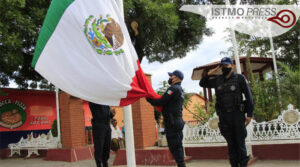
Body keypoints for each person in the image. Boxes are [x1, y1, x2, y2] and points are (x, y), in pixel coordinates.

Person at [199, 57, 254, 167]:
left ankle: (243, 164)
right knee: (231, 144)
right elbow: (202, 83)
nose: (225, 68)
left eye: (227, 65)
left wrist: (249, 115)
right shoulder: (217, 80)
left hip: (237, 115)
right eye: (223, 66)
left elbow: (249, 97)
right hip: (224, 117)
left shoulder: (239, 78)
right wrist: (210, 73)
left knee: (240, 143)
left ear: (232, 66)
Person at [146, 70, 186, 167]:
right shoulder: (180, 89)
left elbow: (161, 101)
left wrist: (148, 98)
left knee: (175, 146)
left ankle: (181, 165)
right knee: (177, 145)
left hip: (172, 121)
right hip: (176, 120)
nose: (170, 78)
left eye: (172, 76)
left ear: (176, 78)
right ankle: (181, 164)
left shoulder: (173, 89)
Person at [89, 102, 115, 167]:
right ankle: (98, 164)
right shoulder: (94, 100)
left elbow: (108, 115)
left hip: (107, 126)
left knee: (107, 147)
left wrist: (112, 114)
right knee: (99, 147)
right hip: (98, 126)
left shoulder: (105, 102)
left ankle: (105, 162)